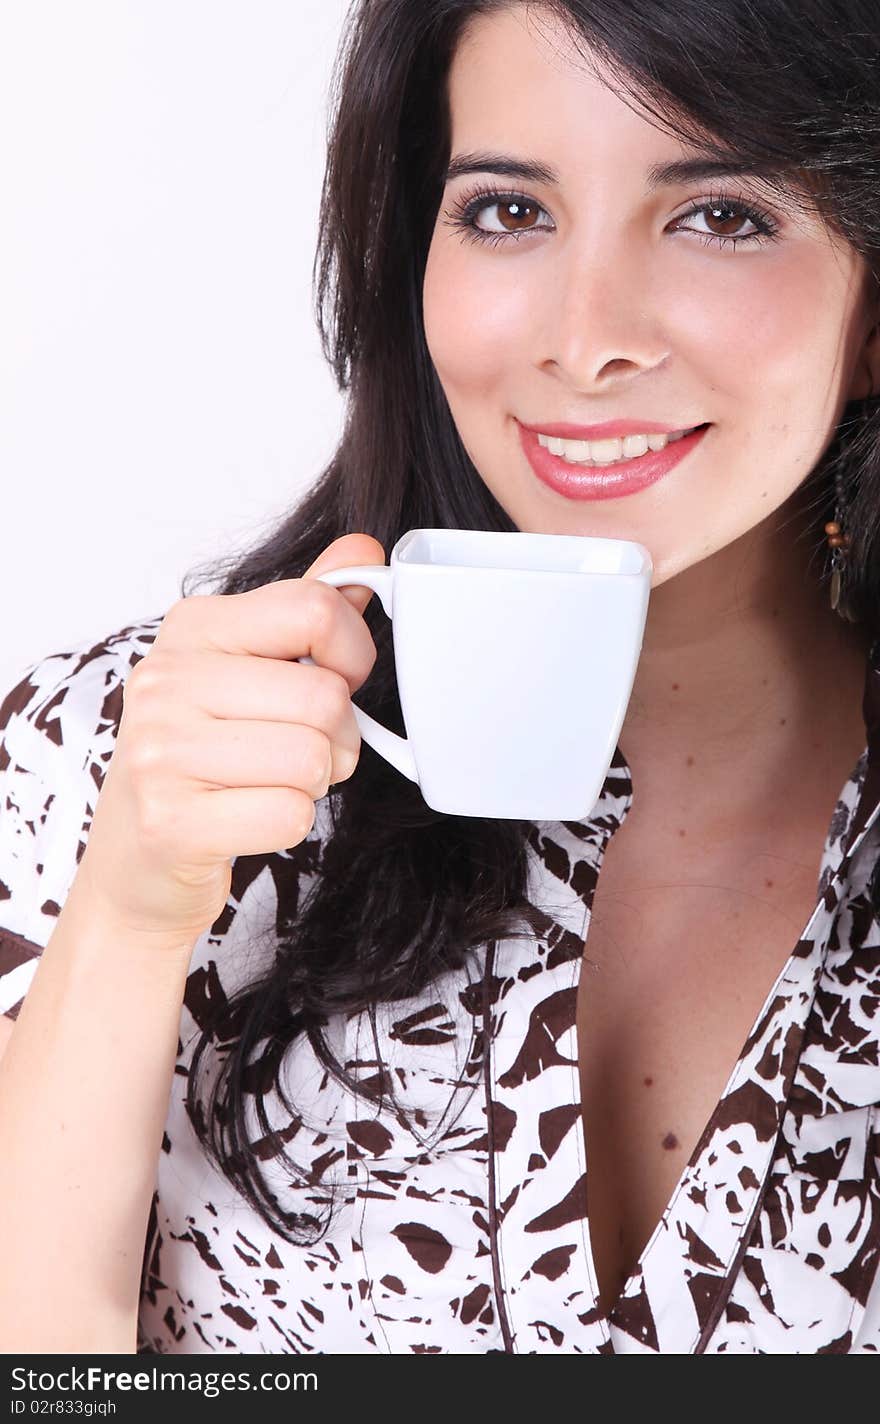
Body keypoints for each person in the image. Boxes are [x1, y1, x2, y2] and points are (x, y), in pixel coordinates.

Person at [1, 0, 880, 1356]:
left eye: (723, 215)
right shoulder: (115, 763)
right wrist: (127, 918)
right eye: (509, 213)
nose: (585, 341)